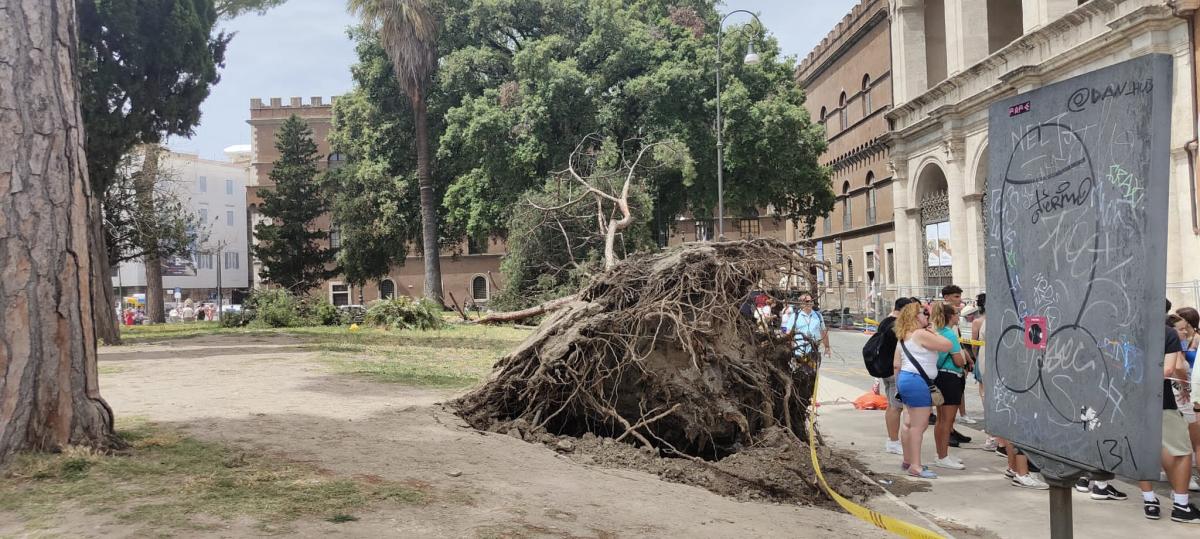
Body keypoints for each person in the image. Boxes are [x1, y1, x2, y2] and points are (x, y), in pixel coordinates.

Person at [1136, 299, 1200, 523]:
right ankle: (1181, 506)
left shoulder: (1128, 329)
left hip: (1129, 400)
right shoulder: (1167, 334)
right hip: (1160, 399)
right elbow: (1171, 369)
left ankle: (1149, 501)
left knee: (1145, 451)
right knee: (1182, 452)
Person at [893, 302, 954, 479]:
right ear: (914, 317)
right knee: (919, 426)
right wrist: (933, 332)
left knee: (909, 423)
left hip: (906, 379)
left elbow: (896, 364)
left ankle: (908, 460)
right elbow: (947, 345)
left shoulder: (904, 336)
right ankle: (916, 466)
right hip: (918, 381)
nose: (926, 316)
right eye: (923, 313)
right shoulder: (920, 334)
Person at [929, 301, 969, 470]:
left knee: (941, 419)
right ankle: (943, 456)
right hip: (951, 378)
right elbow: (958, 359)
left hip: (939, 377)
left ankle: (941, 453)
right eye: (956, 313)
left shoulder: (936, 331)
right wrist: (965, 363)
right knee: (947, 420)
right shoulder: (950, 335)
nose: (958, 315)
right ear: (950, 316)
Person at [879, 297, 918, 454]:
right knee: (896, 407)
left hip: (885, 369)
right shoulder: (897, 326)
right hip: (895, 370)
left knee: (891, 406)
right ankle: (894, 441)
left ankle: (892, 440)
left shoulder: (885, 322)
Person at [1171, 308, 1200, 491]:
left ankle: (1188, 475)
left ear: (1188, 323)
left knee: (1193, 436)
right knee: (1187, 434)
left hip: (1191, 386)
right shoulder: (1178, 339)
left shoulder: (1196, 338)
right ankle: (1185, 476)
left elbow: (1181, 366)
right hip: (1185, 387)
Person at [781, 293, 832, 361]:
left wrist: (827, 347)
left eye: (811, 301)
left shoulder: (818, 316)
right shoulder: (794, 316)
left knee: (813, 371)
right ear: (801, 303)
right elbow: (788, 334)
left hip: (814, 352)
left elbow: (823, 332)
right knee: (800, 371)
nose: (810, 303)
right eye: (807, 301)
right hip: (798, 352)